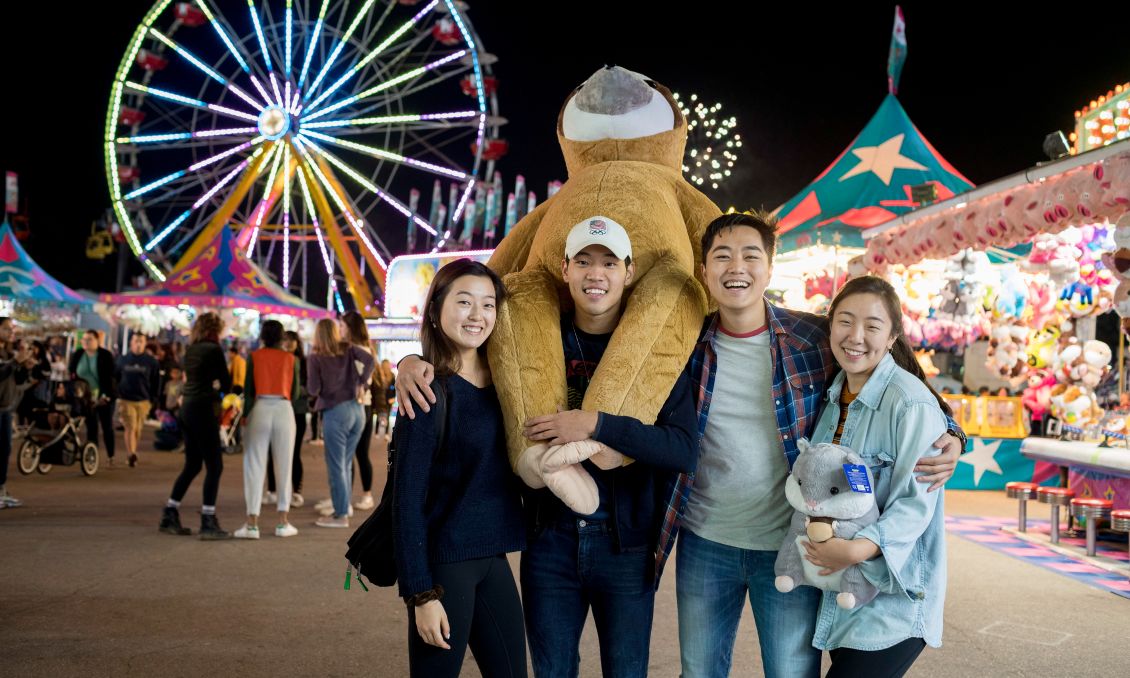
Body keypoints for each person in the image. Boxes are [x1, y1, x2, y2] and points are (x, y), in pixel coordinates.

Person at [656, 212, 963, 678]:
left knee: (791, 672)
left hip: (792, 543)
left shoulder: (812, 336)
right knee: (698, 671)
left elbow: (902, 375)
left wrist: (955, 434)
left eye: (750, 255)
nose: (735, 266)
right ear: (704, 272)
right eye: (722, 255)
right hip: (705, 539)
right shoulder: (686, 343)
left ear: (770, 267)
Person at [399, 217, 699, 676]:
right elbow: (460, 353)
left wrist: (597, 424)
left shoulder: (654, 351)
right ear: (565, 269)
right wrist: (411, 360)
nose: (595, 274)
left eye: (608, 263)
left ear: (629, 271)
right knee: (551, 670)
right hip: (548, 542)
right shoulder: (529, 340)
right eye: (583, 262)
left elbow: (681, 450)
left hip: (624, 546)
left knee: (625, 670)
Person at [802, 276, 951, 676]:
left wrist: (857, 549)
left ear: (892, 338)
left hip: (892, 596)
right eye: (845, 322)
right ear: (830, 325)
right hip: (843, 592)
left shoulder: (910, 402)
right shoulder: (833, 395)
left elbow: (917, 502)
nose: (856, 336)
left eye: (872, 326)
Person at [394, 258, 527, 678]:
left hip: (494, 557)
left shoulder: (508, 380)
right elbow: (406, 500)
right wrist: (421, 594)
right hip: (445, 565)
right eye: (464, 302)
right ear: (435, 310)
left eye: (488, 305)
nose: (478, 315)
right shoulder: (427, 389)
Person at [159, 312, 233, 540]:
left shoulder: (191, 349)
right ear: (215, 329)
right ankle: (208, 520)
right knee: (215, 465)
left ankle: (170, 512)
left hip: (187, 409)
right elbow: (226, 381)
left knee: (192, 464)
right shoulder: (213, 349)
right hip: (203, 408)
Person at [234, 320, 300, 540]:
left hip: (260, 407)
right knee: (284, 465)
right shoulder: (292, 359)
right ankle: (283, 522)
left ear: (262, 335)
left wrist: (245, 414)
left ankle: (251, 523)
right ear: (282, 337)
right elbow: (296, 393)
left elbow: (249, 390)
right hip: (284, 409)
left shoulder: (254, 357)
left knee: (253, 464)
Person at [308, 317, 373, 528]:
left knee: (337, 466)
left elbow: (312, 389)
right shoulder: (348, 348)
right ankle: (343, 509)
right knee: (344, 464)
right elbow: (370, 361)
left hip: (336, 413)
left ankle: (341, 514)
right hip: (358, 410)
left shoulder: (315, 356)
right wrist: (361, 382)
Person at [266, 330, 308, 508]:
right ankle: (273, 490)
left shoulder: (304, 362)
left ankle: (296, 491)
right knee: (271, 451)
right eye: (285, 340)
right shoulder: (276, 359)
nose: (288, 344)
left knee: (294, 452)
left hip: (296, 410)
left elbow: (308, 387)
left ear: (297, 343)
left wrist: (294, 392)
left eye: (292, 341)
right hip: (275, 409)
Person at [341, 311, 376, 512]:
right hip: (358, 406)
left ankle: (364, 495)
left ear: (351, 328)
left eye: (343, 326)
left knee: (358, 453)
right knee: (352, 454)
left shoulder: (359, 350)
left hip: (361, 405)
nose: (340, 330)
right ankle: (345, 496)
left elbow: (364, 379)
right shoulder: (357, 349)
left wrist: (360, 385)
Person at [69, 329, 117, 466]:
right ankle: (92, 455)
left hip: (104, 395)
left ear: (97, 341)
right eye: (84, 339)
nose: (86, 342)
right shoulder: (78, 354)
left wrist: (106, 395)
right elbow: (72, 373)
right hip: (86, 397)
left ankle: (110, 455)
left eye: (89, 339)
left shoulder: (105, 355)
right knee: (91, 426)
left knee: (106, 426)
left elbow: (111, 377)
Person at [0, 318, 34, 509]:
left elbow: (16, 379)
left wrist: (23, 366)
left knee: (5, 449)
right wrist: (14, 362)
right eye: (5, 329)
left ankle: (2, 489)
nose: (10, 332)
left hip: (6, 406)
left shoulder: (8, 351)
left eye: (11, 329)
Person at [115, 333, 160, 467]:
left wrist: (154, 399)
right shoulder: (122, 360)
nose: (138, 343)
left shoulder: (151, 362)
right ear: (131, 343)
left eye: (141, 341)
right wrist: (116, 393)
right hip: (125, 399)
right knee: (130, 426)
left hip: (143, 400)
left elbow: (156, 381)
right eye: (136, 341)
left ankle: (133, 450)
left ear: (145, 343)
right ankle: (131, 454)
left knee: (137, 429)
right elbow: (115, 376)